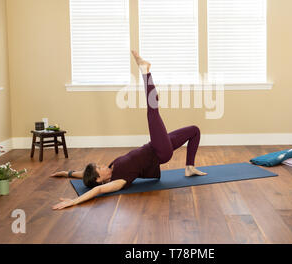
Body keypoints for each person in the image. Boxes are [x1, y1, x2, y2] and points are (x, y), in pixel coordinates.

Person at [51, 51, 207, 210]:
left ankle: (189, 167)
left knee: (194, 130)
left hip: (153, 145)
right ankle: (145, 71)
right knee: (152, 110)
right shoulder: (119, 180)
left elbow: (83, 173)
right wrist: (74, 201)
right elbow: (97, 190)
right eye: (99, 168)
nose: (102, 165)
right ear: (100, 179)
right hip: (161, 152)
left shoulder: (111, 168)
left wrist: (66, 173)